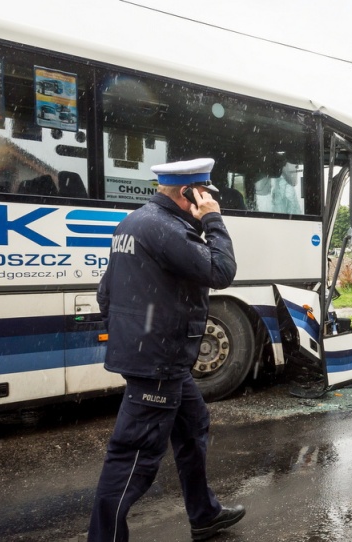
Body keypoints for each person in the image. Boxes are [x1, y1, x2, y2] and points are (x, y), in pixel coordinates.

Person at [88, 158, 244, 541]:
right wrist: (213, 220)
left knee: (192, 428)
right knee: (132, 458)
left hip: (156, 356)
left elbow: (105, 293)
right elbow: (221, 271)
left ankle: (204, 515)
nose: (208, 199)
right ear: (187, 192)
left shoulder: (134, 222)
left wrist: (134, 337)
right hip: (159, 360)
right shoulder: (166, 229)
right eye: (203, 193)